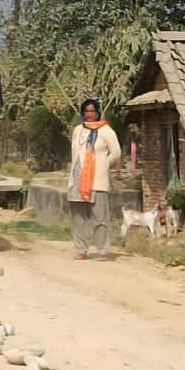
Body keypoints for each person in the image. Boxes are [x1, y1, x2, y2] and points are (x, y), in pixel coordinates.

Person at [67, 97, 121, 261]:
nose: (89, 114)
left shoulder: (106, 131)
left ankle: (102, 250)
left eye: (92, 111)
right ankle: (81, 249)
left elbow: (116, 153)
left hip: (97, 180)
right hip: (77, 179)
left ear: (98, 113)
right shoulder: (78, 130)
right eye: (86, 111)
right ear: (82, 113)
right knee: (78, 217)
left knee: (100, 217)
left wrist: (103, 164)